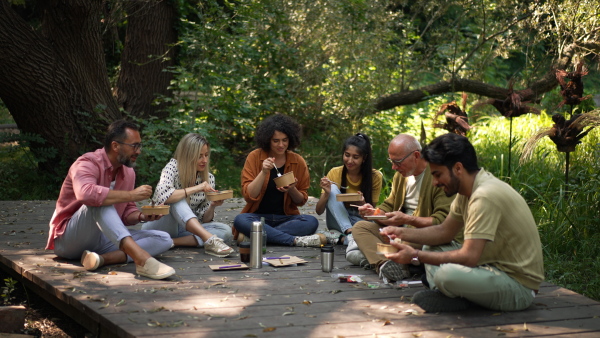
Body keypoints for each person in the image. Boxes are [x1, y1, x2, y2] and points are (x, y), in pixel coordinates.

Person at [382, 133, 544, 312]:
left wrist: (415, 256)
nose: (434, 183)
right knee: (430, 247)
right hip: (488, 269)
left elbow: (469, 257)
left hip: (519, 287)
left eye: (437, 174)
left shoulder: (484, 196)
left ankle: (461, 299)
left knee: (445, 274)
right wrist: (402, 233)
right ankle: (456, 297)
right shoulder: (467, 190)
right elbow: (444, 231)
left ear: (458, 168)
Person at [46, 120, 175, 280]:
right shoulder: (87, 163)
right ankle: (141, 259)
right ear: (115, 146)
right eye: (134, 146)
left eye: (139, 146)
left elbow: (127, 212)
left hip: (103, 241)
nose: (139, 151)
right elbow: (86, 194)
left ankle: (101, 259)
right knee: (99, 201)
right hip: (69, 241)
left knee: (163, 239)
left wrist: (142, 216)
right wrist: (131, 195)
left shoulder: (129, 172)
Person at [348, 134, 456, 283]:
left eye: (397, 162)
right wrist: (374, 213)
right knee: (360, 227)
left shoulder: (437, 177)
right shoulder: (401, 176)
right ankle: (388, 264)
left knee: (356, 254)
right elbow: (389, 205)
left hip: (421, 237)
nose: (393, 167)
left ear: (416, 156)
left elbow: (442, 222)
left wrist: (407, 219)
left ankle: (381, 258)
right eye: (391, 161)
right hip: (397, 235)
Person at [233, 114, 324, 247]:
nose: (281, 145)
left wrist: (292, 189)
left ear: (291, 139)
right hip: (258, 217)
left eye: (285, 140)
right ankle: (293, 240)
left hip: (286, 218)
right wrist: (263, 172)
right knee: (240, 220)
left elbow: (301, 201)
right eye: (276, 141)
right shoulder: (254, 157)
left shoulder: (298, 161)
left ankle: (256, 237)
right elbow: (249, 196)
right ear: (268, 140)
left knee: (311, 221)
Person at [141, 133, 234, 257]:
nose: (205, 160)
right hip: (160, 224)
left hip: (184, 229)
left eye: (206, 155)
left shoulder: (208, 178)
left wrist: (212, 206)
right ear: (188, 155)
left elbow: (203, 219)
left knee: (225, 231)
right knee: (176, 198)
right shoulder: (172, 167)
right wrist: (197, 188)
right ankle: (209, 240)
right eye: (200, 156)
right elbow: (164, 196)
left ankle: (171, 242)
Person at [315, 133, 383, 244]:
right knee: (332, 188)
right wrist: (326, 193)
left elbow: (371, 213)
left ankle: (342, 239)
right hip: (338, 219)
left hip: (359, 218)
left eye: (355, 157)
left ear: (364, 158)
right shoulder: (335, 173)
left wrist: (362, 203)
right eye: (347, 155)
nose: (350, 161)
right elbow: (319, 211)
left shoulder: (375, 176)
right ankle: (349, 232)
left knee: (378, 233)